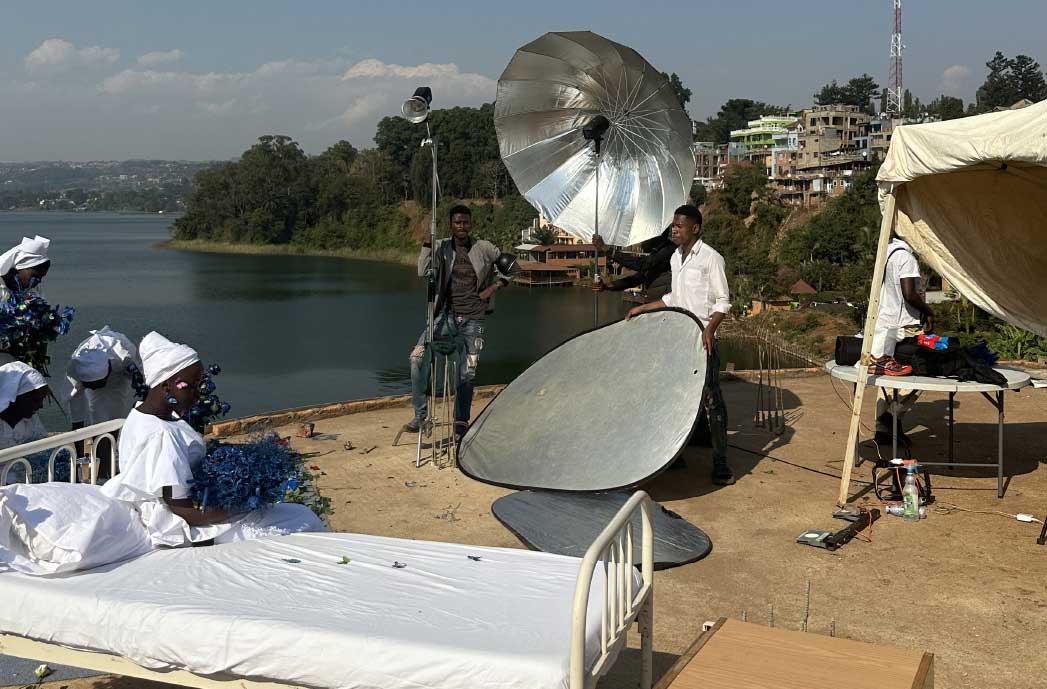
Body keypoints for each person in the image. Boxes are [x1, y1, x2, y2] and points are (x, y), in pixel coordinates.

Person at [101, 331, 325, 546]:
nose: (198, 394)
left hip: (189, 511)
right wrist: (242, 504)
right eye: (191, 386)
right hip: (182, 528)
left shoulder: (142, 413)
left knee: (294, 514)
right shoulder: (162, 435)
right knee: (301, 518)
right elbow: (184, 511)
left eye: (200, 384)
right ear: (166, 384)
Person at [623, 205, 735, 485]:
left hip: (703, 342)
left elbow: (723, 301)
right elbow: (674, 298)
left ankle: (721, 463)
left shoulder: (711, 259)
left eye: (679, 226)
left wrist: (711, 327)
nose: (674, 229)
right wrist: (645, 308)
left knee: (712, 402)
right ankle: (675, 454)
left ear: (694, 228)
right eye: (673, 225)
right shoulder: (676, 258)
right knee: (677, 400)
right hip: (680, 342)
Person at [402, 205, 512, 440]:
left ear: (470, 224)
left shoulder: (483, 247)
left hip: (473, 320)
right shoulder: (441, 246)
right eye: (457, 222)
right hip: (444, 318)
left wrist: (493, 287)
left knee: (467, 374)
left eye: (466, 223)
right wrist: (426, 245)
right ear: (450, 224)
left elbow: (513, 267)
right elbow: (422, 272)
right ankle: (421, 416)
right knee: (416, 359)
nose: (462, 227)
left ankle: (461, 424)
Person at [869, 235, 935, 445]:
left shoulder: (887, 252)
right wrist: (928, 310)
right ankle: (891, 416)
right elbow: (909, 294)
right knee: (923, 371)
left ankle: (883, 429)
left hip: (887, 322)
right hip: (905, 324)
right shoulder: (906, 258)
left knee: (887, 376)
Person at [63, 326, 140, 479]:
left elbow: (142, 383)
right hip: (96, 377)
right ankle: (101, 471)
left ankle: (110, 467)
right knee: (98, 422)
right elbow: (76, 418)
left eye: (97, 384)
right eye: (90, 386)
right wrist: (79, 459)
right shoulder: (75, 369)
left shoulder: (124, 355)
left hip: (120, 375)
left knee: (116, 418)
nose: (94, 388)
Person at [0, 235, 51, 366]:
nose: (37, 281)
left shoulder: (33, 290)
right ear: (20, 267)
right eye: (34, 276)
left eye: (41, 278)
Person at [592, 225, 674, 301]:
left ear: (656, 235)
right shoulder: (657, 253)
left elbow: (640, 264)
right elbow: (636, 279)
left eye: (644, 236)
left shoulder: (669, 251)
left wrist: (607, 249)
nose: (641, 241)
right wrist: (606, 286)